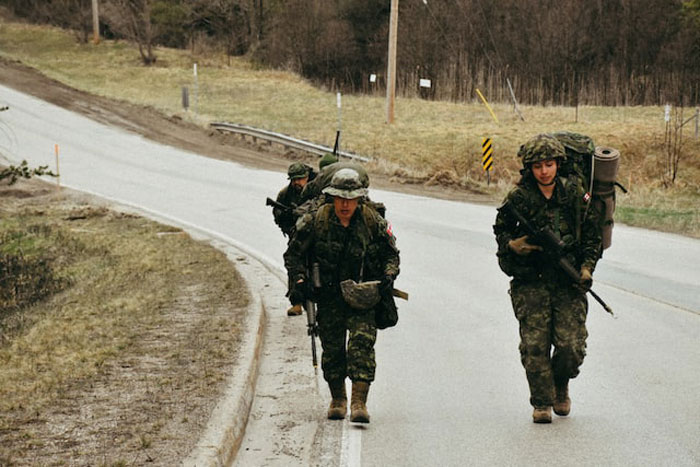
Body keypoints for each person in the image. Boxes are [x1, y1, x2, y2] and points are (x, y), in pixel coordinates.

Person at [493, 133, 602, 424]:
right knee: (535, 346)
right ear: (529, 168)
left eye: (549, 164)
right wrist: (512, 245)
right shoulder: (519, 198)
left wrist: (587, 268)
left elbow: (593, 236)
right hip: (531, 281)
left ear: (558, 164)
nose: (544, 171)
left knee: (570, 347)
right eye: (538, 165)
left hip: (568, 282)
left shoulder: (574, 194)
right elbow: (501, 229)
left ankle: (561, 384)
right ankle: (542, 401)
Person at [284, 168, 400, 423]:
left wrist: (389, 276)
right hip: (329, 296)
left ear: (359, 199)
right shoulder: (316, 221)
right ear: (332, 197)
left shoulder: (372, 221)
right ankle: (338, 399)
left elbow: (392, 254)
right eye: (340, 198)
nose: (345, 204)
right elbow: (293, 255)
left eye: (351, 198)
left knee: (362, 346)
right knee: (333, 350)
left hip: (362, 296)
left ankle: (359, 402)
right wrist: (300, 280)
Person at [272, 162, 314, 316]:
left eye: (300, 179)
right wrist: (287, 220)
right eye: (294, 179)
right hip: (297, 235)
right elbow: (278, 216)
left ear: (307, 177)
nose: (297, 182)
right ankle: (296, 302)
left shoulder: (315, 190)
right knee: (293, 263)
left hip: (316, 234)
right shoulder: (285, 194)